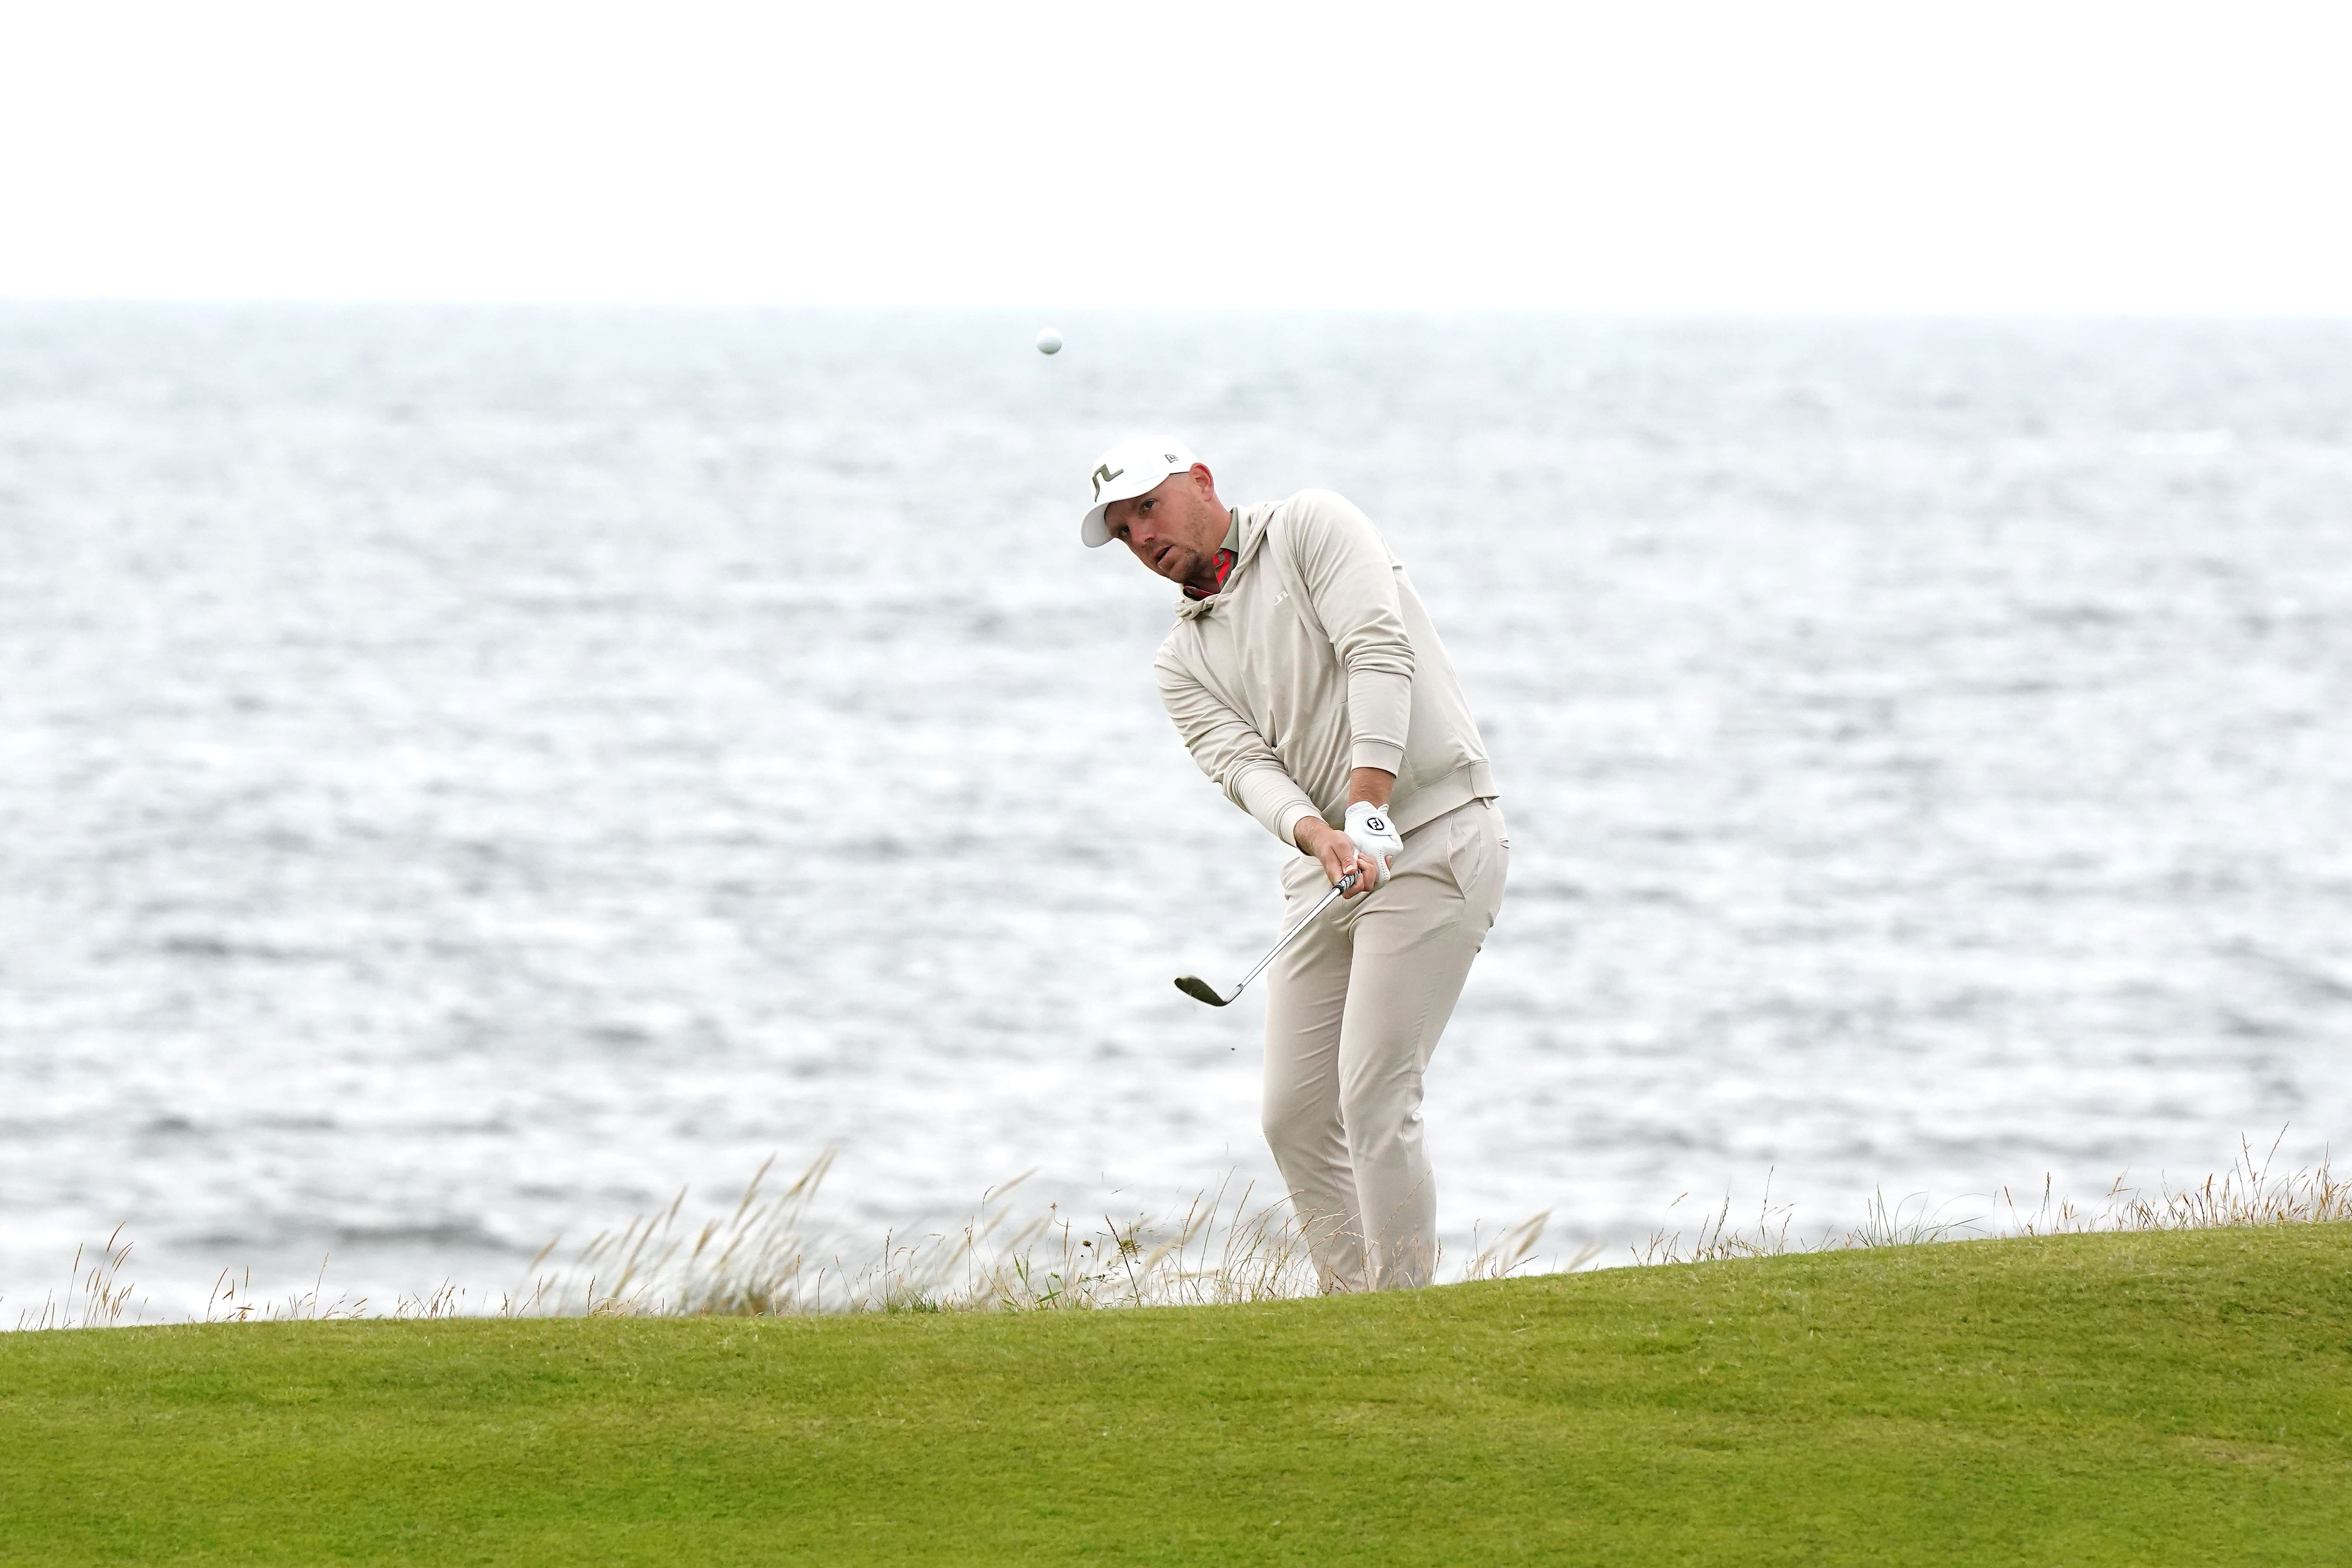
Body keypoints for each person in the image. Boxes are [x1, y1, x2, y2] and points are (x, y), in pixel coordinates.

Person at [1081, 435, 1507, 1291]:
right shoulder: (1182, 660)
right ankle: (1349, 1309)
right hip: (1336, 861)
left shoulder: (1312, 526)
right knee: (1293, 1115)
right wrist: (1324, 836)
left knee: (1375, 1097)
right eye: (1124, 532)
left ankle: (1402, 1315)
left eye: (1148, 509)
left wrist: (1368, 804)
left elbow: (1377, 652)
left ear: (1200, 482)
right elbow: (1243, 768)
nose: (1142, 539)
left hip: (1436, 831)